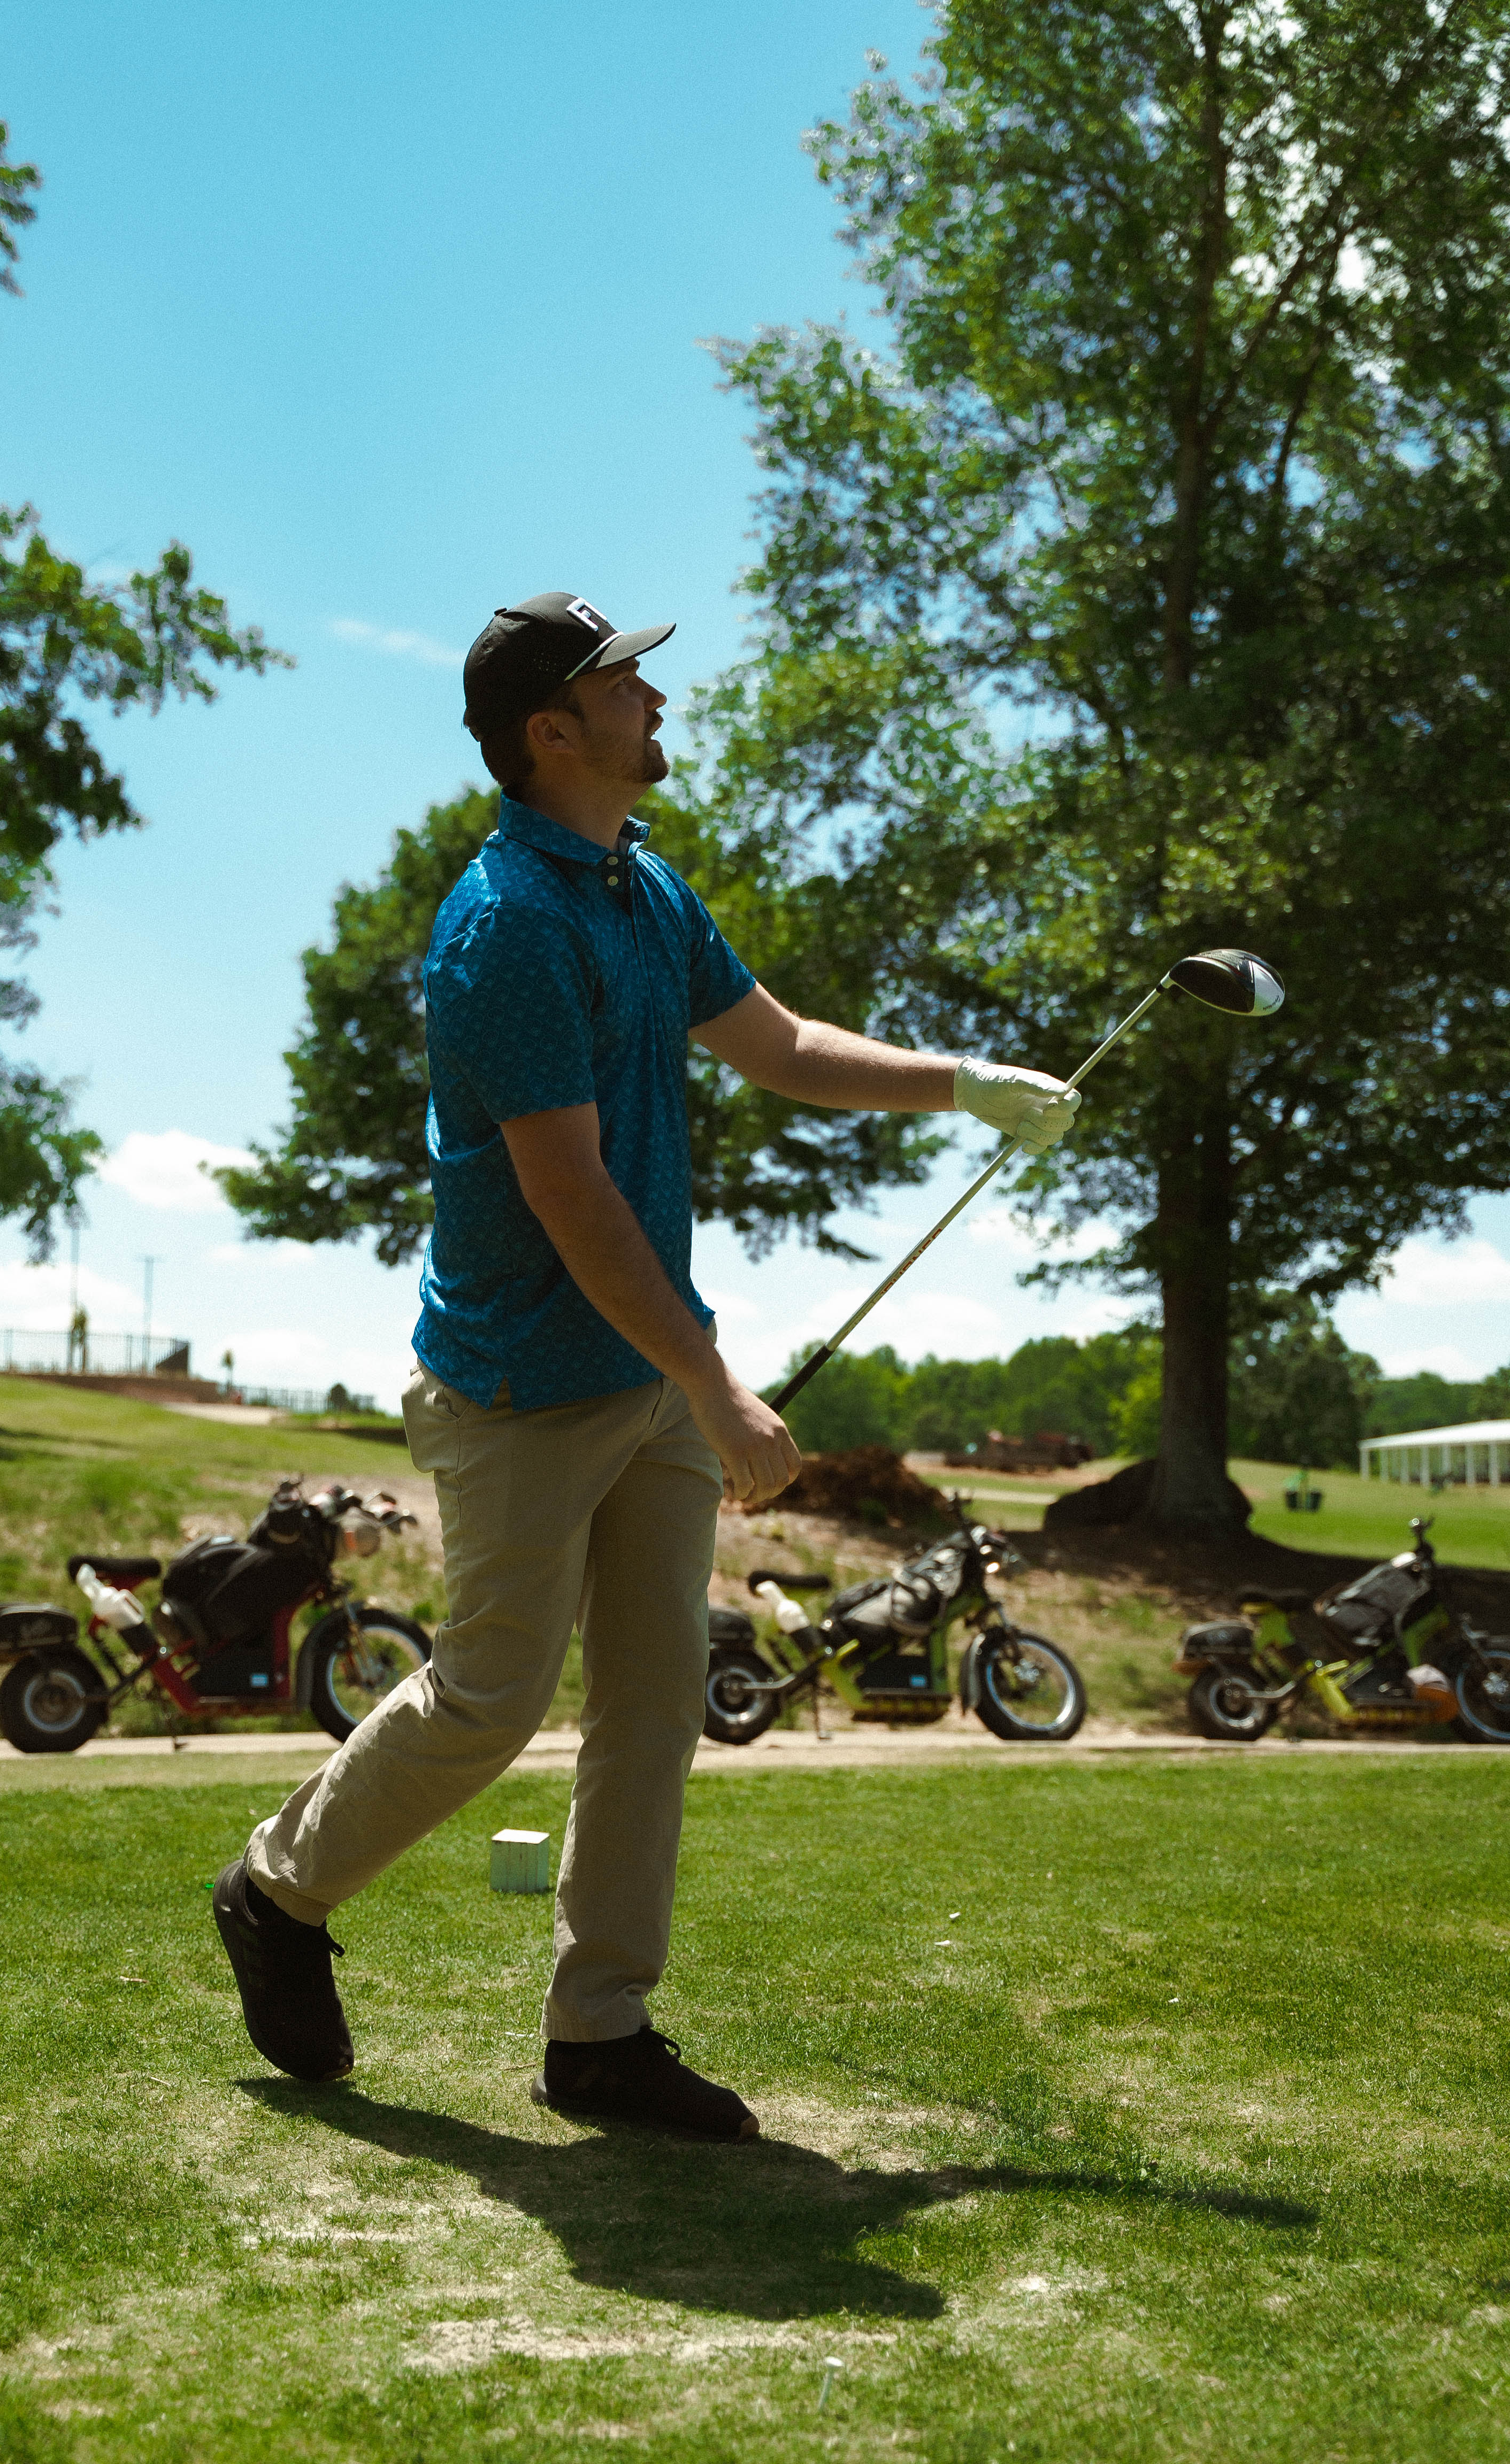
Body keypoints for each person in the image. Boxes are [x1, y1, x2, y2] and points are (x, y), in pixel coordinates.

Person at [212, 590, 1079, 2140]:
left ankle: (598, 2032)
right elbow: (572, 1196)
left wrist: (963, 1085)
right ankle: (276, 1892)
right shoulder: (504, 929)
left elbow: (784, 1046)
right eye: (627, 686)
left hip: (651, 1367)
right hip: (520, 1383)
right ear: (554, 731)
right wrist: (717, 1383)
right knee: (491, 1692)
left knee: (656, 1697)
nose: (657, 704)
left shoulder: (642, 891)